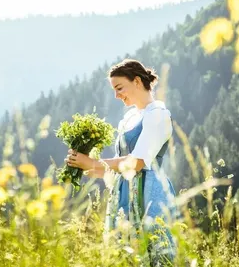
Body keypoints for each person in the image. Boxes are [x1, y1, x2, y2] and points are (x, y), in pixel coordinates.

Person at [64, 58, 178, 266]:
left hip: (148, 191)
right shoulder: (129, 119)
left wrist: (92, 162)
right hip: (123, 193)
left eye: (119, 88)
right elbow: (116, 168)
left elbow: (137, 163)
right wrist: (84, 164)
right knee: (124, 255)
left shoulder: (158, 115)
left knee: (153, 251)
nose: (117, 96)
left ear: (136, 81)